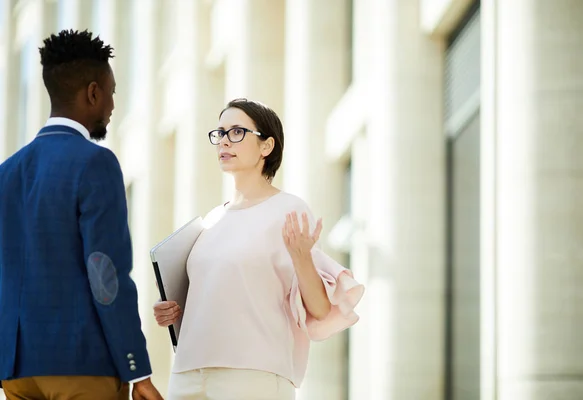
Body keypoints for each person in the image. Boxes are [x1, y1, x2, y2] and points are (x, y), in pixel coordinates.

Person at [152, 98, 365, 400]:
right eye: (220, 133)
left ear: (266, 146)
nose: (224, 141)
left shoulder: (288, 209)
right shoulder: (211, 220)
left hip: (253, 375)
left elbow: (319, 309)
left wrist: (302, 258)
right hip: (187, 372)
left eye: (237, 132)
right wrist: (174, 311)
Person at [0, 30, 163, 400]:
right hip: (81, 364)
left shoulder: (6, 173)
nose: (112, 106)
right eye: (111, 93)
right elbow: (106, 275)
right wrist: (137, 368)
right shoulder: (96, 163)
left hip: (16, 369)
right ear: (93, 92)